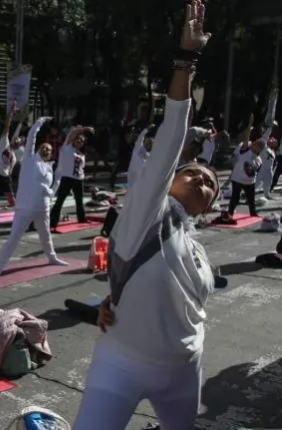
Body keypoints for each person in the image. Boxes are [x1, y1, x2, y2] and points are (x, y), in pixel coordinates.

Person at [72, 4, 217, 428]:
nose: (201, 179)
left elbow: (175, 299)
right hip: (121, 365)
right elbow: (172, 135)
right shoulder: (149, 212)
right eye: (191, 172)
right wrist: (186, 59)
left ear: (209, 206)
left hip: (185, 370)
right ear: (168, 182)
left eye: (210, 183)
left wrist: (114, 299)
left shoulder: (195, 247)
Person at [0, 116, 68, 279]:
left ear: (51, 154)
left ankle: (52, 257)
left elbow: (53, 186)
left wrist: (54, 188)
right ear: (38, 149)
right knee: (14, 238)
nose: (46, 150)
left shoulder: (49, 168)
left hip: (42, 209)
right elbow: (32, 136)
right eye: (44, 147)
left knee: (46, 236)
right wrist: (40, 121)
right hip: (24, 208)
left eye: (49, 149)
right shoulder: (29, 160)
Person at [49, 125, 94, 230]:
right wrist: (85, 129)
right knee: (60, 200)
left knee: (79, 200)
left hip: (78, 179)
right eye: (78, 139)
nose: (79, 141)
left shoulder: (81, 154)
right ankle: (52, 222)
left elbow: (81, 168)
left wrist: (84, 177)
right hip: (67, 178)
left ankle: (81, 218)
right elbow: (72, 133)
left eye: (82, 141)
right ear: (73, 140)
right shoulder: (67, 147)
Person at [226, 115, 265, 220]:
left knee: (251, 199)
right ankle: (230, 214)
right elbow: (246, 137)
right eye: (256, 144)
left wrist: (252, 169)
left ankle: (253, 213)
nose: (255, 146)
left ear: (260, 149)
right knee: (235, 198)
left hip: (249, 182)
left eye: (258, 146)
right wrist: (250, 124)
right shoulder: (245, 149)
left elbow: (254, 171)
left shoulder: (258, 159)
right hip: (237, 179)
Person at [127, 125, 156, 189]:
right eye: (148, 143)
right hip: (133, 173)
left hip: (141, 176)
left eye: (150, 145)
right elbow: (140, 137)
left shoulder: (150, 155)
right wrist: (146, 129)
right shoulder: (138, 148)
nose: (149, 145)